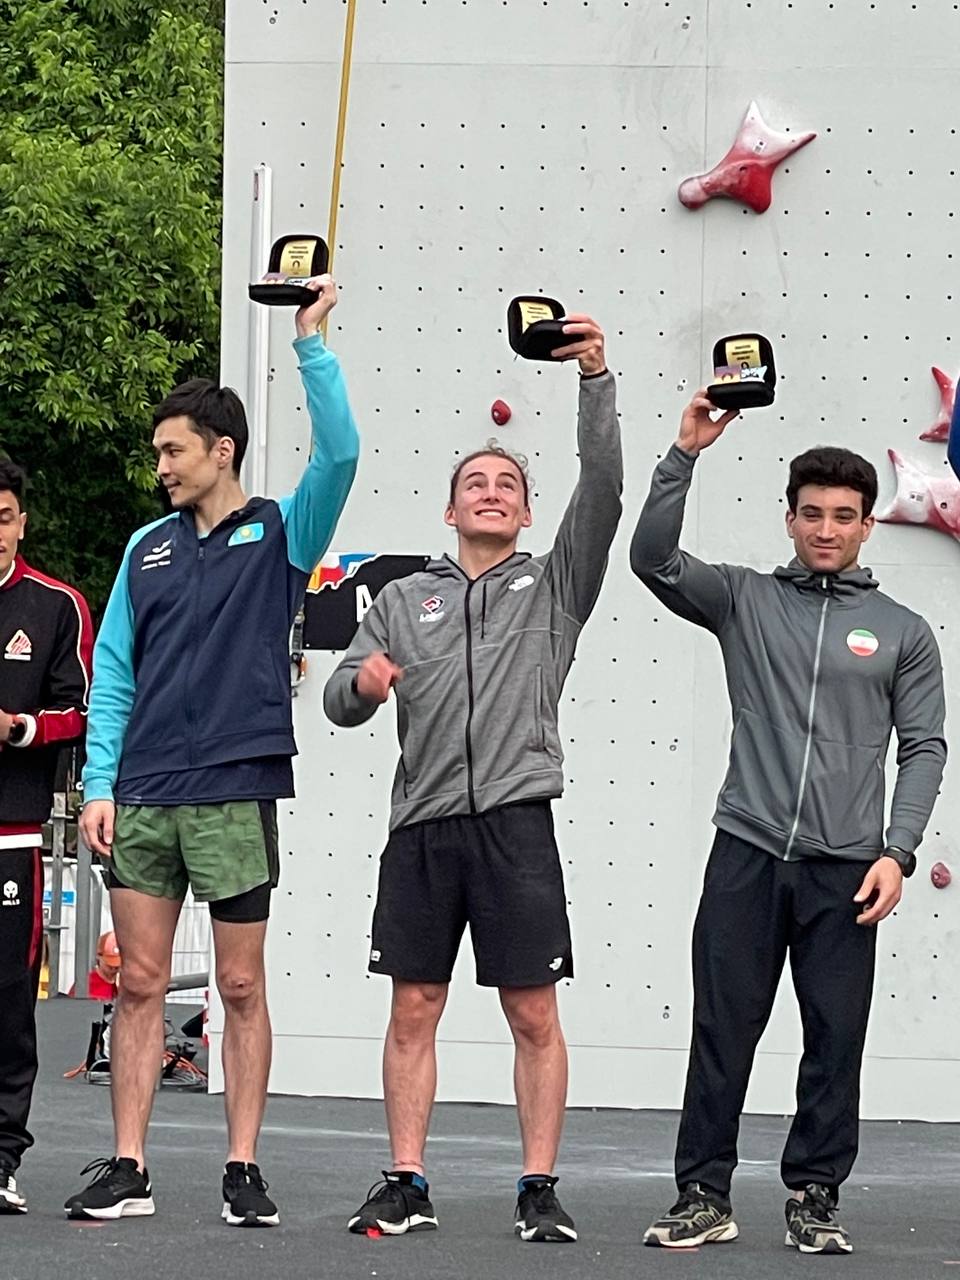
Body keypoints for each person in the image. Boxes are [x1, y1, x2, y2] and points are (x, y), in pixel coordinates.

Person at [65, 278, 359, 1227]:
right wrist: (100, 784)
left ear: (220, 449)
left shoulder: (280, 531)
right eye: (158, 453)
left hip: (234, 788)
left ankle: (242, 1168)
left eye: (173, 451)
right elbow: (115, 671)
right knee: (140, 982)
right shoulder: (145, 548)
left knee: (238, 984)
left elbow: (341, 453)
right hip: (145, 791)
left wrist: (310, 342)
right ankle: (129, 1167)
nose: (160, 466)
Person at [324, 314, 622, 1244]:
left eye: (507, 486)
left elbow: (604, 489)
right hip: (422, 828)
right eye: (474, 485)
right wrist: (363, 685)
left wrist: (595, 379)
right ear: (449, 512)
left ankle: (538, 1188)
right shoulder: (401, 598)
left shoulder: (556, 586)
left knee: (533, 1012)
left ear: (526, 513)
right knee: (414, 1007)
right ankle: (406, 1180)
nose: (491, 493)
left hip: (515, 826)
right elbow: (337, 697)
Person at [630, 391, 946, 1255]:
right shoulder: (744, 599)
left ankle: (815, 1196)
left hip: (848, 868)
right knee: (722, 1029)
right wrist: (684, 454)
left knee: (835, 1039)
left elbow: (924, 747)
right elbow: (652, 559)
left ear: (867, 525)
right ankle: (703, 1194)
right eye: (812, 514)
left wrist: (898, 853)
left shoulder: (903, 632)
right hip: (747, 851)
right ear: (791, 518)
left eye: (844, 516)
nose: (826, 529)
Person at [0, 459, 93, 1215]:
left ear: (22, 522)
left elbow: (83, 710)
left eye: (2, 517)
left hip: (14, 836)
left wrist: (17, 727)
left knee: (7, 1003)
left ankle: (2, 1158)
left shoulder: (57, 605)